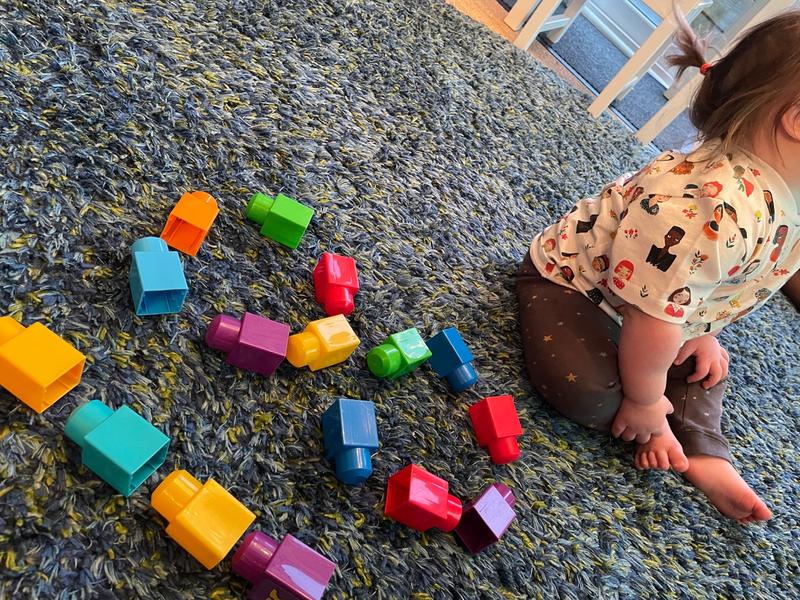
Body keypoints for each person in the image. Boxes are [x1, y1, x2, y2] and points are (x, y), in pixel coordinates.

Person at [516, 5, 800, 523]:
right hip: (575, 285)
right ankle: (657, 415)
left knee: (704, 370)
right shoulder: (714, 209)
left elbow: (722, 281)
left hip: (664, 310)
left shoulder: (782, 205)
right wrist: (645, 402)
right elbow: (653, 319)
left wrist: (704, 330)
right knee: (591, 393)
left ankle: (704, 452)